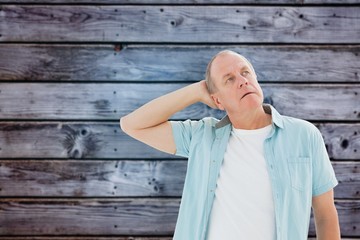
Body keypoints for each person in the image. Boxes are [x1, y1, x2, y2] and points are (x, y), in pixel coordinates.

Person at [120, 50, 341, 240]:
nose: (242, 80)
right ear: (217, 101)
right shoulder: (201, 136)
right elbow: (132, 125)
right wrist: (196, 91)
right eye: (229, 79)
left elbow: (325, 214)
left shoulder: (304, 135)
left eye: (245, 72)